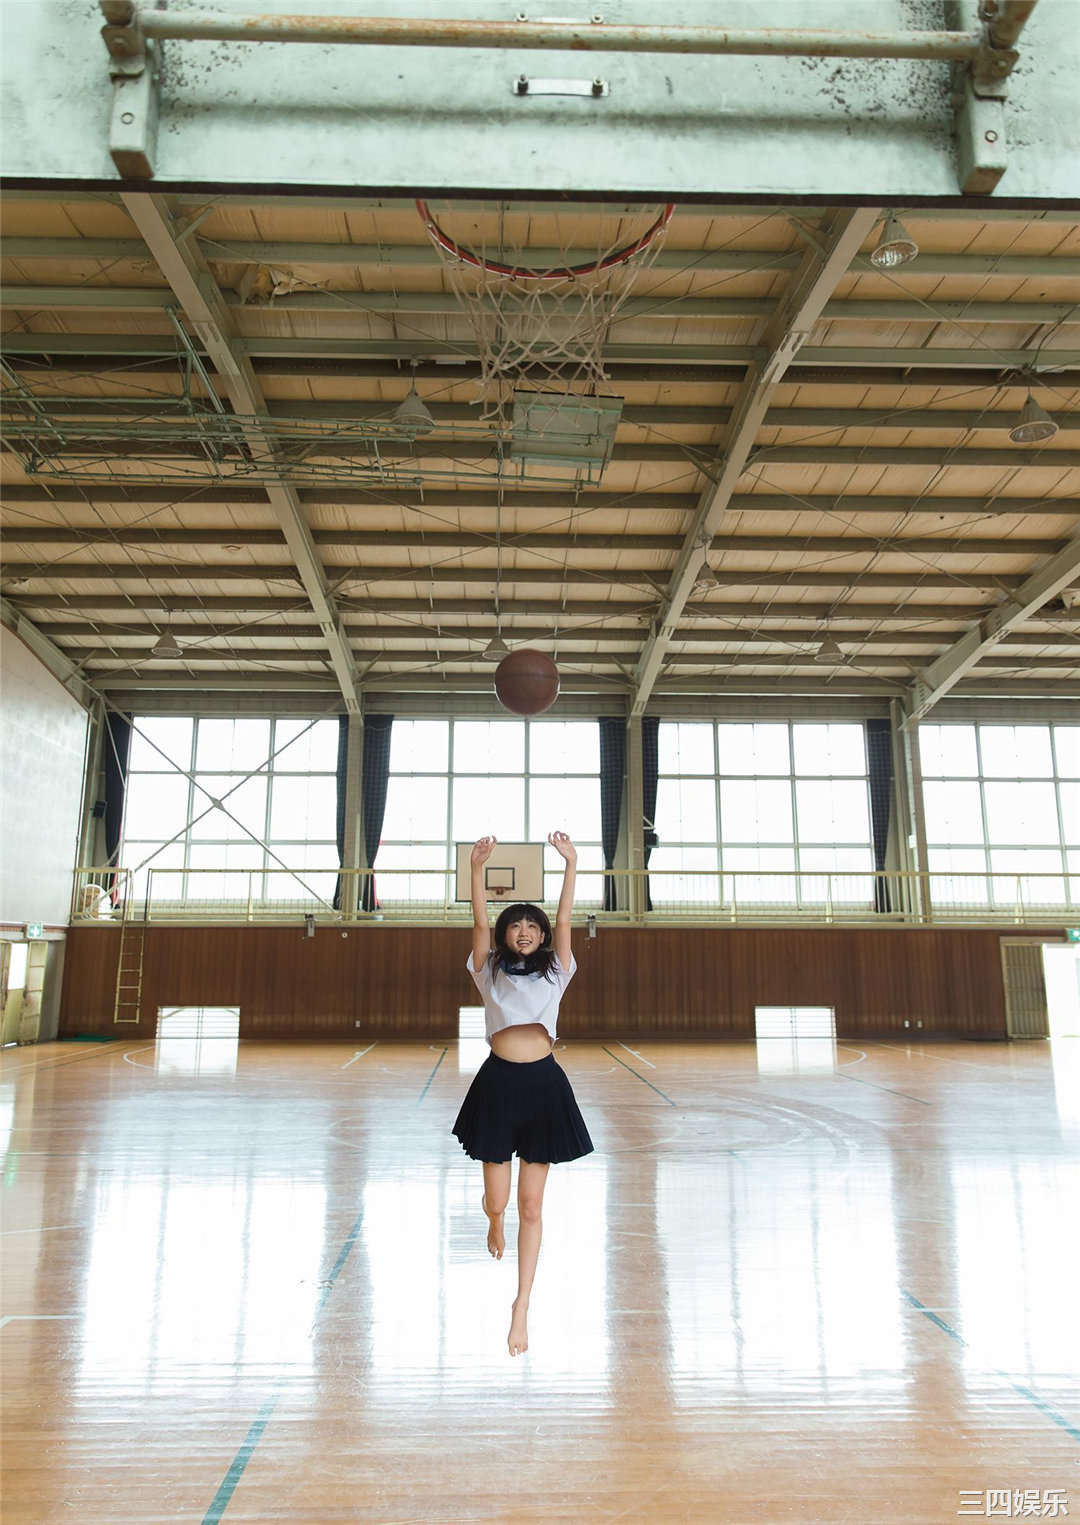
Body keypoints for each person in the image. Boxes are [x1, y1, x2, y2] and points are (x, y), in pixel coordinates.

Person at [452, 831, 594, 1357]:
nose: (526, 931)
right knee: (501, 1201)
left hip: (544, 1088)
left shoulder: (557, 971)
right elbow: (478, 922)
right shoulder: (488, 971)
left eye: (533, 925)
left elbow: (565, 919)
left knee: (531, 1208)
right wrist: (476, 869)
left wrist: (571, 864)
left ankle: (521, 1305)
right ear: (506, 934)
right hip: (498, 1085)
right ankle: (493, 1219)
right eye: (517, 925)